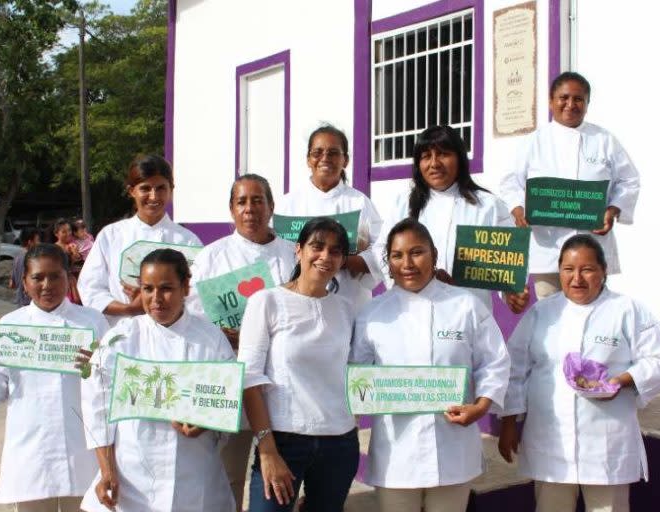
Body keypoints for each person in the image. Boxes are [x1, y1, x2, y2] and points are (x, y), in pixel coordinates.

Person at [498, 234, 660, 512]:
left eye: (587, 269)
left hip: (606, 441)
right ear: (559, 271)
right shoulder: (542, 313)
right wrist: (508, 423)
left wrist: (621, 381)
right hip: (551, 440)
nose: (577, 278)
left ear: (603, 272)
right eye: (568, 269)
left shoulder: (627, 310)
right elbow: (515, 369)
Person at [351, 219, 510, 512]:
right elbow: (357, 376)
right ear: (388, 261)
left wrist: (481, 406)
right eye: (397, 255)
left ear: (433, 255)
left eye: (417, 252)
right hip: (396, 451)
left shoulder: (465, 305)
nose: (407, 263)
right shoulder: (372, 313)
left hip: (453, 445)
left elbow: (494, 362)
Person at [80, 248, 236, 512]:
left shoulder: (211, 339)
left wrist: (206, 421)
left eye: (166, 288)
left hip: (193, 472)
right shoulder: (122, 338)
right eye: (147, 289)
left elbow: (227, 400)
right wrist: (106, 469)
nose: (156, 299)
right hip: (132, 474)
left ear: (185, 286)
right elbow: (97, 406)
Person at [0, 243, 109, 512]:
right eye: (37, 277)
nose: (47, 285)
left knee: (85, 505)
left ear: (69, 278)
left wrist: (99, 367)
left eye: (55, 276)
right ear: (24, 283)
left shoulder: (92, 321)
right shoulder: (10, 325)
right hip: (31, 445)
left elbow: (110, 382)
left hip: (82, 444)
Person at [188, 173, 295, 511]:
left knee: (278, 472)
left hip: (280, 380)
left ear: (271, 206)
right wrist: (224, 332)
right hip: (231, 377)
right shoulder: (211, 256)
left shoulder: (292, 254)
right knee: (227, 473)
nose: (250, 209)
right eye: (242, 202)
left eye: (258, 200)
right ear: (231, 210)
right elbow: (193, 314)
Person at [238, 218, 359, 512]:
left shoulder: (345, 309)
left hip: (339, 443)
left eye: (335, 251)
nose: (325, 257)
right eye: (317, 246)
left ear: (343, 259)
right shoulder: (267, 301)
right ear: (299, 249)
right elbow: (249, 379)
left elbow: (355, 372)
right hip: (283, 441)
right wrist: (267, 450)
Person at [499, 71, 640, 300]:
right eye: (563, 98)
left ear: (587, 103)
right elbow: (509, 182)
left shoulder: (604, 140)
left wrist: (612, 210)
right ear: (551, 101)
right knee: (550, 314)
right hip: (548, 246)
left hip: (592, 242)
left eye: (578, 99)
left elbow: (629, 180)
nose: (570, 104)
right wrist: (518, 210)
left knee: (594, 310)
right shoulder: (534, 141)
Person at [374, 125, 529, 313]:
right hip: (412, 309)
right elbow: (382, 251)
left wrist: (511, 293)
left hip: (470, 313)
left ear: (460, 159)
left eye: (443, 154)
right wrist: (418, 284)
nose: (434, 163)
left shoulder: (489, 206)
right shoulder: (403, 204)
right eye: (426, 156)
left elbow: (508, 262)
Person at [78, 154, 202, 326]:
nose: (153, 196)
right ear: (131, 190)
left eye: (161, 188)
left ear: (171, 190)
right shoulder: (111, 235)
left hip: (173, 336)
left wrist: (157, 302)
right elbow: (90, 288)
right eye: (145, 188)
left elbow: (196, 295)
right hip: (120, 333)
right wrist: (129, 309)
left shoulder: (187, 241)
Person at [274, 124, 383, 311]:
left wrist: (342, 260)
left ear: (345, 160)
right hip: (296, 304)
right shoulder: (286, 205)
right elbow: (272, 255)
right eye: (317, 152)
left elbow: (381, 252)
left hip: (349, 302)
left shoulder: (359, 203)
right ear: (308, 159)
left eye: (333, 153)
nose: (325, 158)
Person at [53, 218, 83, 304]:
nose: (68, 234)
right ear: (56, 234)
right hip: (63, 282)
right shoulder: (54, 249)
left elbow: (80, 264)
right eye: (64, 232)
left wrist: (75, 254)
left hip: (76, 280)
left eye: (69, 230)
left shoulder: (74, 246)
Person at [9, 226, 40, 306]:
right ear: (30, 242)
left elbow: (12, 284)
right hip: (30, 302)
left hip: (20, 301)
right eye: (37, 240)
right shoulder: (32, 259)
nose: (39, 243)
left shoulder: (17, 258)